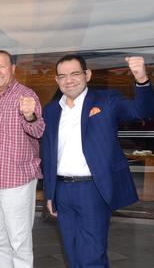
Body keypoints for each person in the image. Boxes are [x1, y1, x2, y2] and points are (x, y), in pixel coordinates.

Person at [42, 54, 154, 267]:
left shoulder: (107, 100)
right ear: (56, 81)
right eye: (63, 76)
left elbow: (142, 110)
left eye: (75, 73)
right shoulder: (51, 110)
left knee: (92, 256)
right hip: (62, 191)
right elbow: (48, 154)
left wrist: (141, 80)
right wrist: (50, 193)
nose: (69, 80)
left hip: (93, 190)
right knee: (72, 254)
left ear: (88, 75)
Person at [0, 50, 45, 268]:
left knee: (19, 241)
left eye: (2, 66)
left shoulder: (26, 96)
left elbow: (38, 130)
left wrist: (30, 115)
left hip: (16, 182)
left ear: (13, 68)